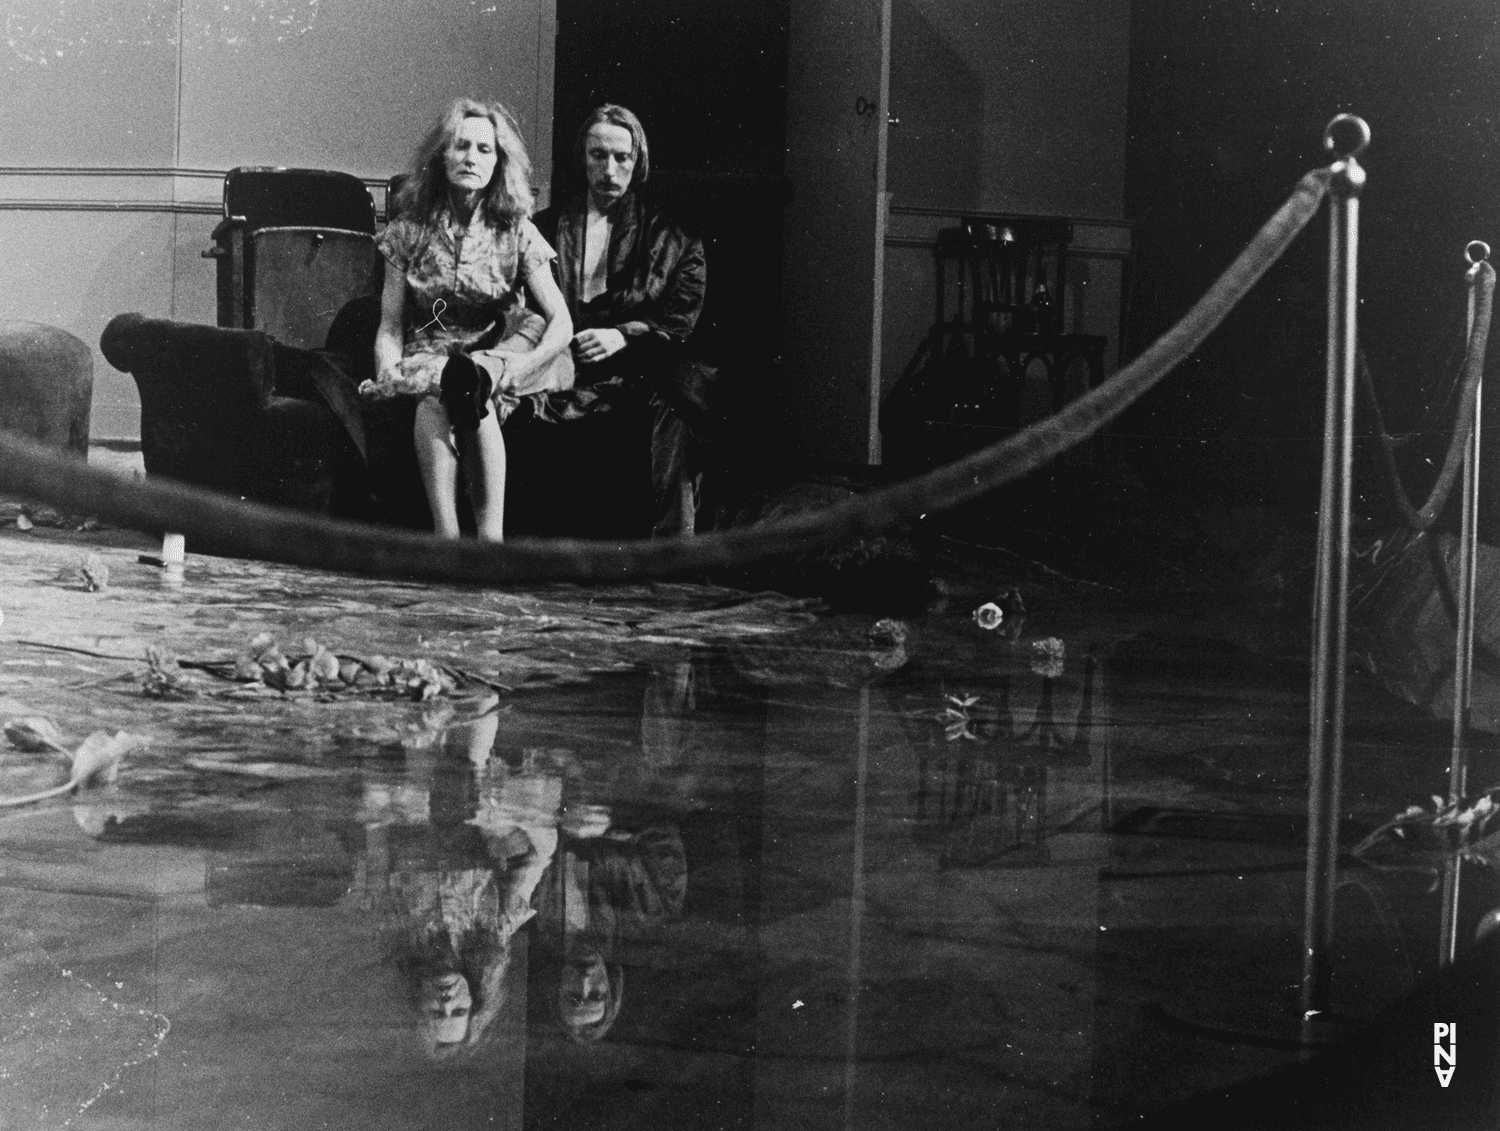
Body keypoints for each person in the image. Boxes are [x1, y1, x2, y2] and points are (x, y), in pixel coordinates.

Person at [363, 97, 573, 541]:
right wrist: (388, 371)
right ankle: (448, 542)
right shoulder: (408, 229)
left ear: (499, 162)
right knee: (439, 393)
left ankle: (490, 542)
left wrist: (522, 365)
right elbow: (391, 323)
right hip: (435, 350)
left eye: (484, 150)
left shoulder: (516, 228)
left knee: (473, 382)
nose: (471, 158)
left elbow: (560, 322)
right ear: (442, 155)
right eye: (460, 146)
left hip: (502, 350)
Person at [534, 104, 711, 537]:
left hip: (640, 371)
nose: (609, 169)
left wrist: (624, 337)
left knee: (683, 388)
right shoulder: (544, 228)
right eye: (598, 155)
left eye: (622, 158)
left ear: (638, 161)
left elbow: (679, 323)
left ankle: (674, 547)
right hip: (560, 363)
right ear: (583, 158)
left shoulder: (675, 240)